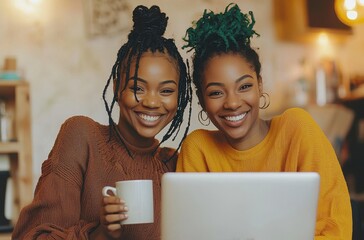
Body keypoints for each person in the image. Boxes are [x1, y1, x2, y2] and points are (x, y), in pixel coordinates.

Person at [12, 5, 191, 240]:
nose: (151, 102)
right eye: (137, 87)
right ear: (117, 87)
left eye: (166, 90)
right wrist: (101, 233)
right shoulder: (82, 136)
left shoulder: (174, 165)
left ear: (180, 98)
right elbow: (32, 236)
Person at [177, 3, 352, 239]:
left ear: (260, 85)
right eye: (216, 92)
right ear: (201, 99)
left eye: (245, 86)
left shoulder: (297, 128)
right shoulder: (198, 149)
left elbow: (335, 226)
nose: (232, 103)